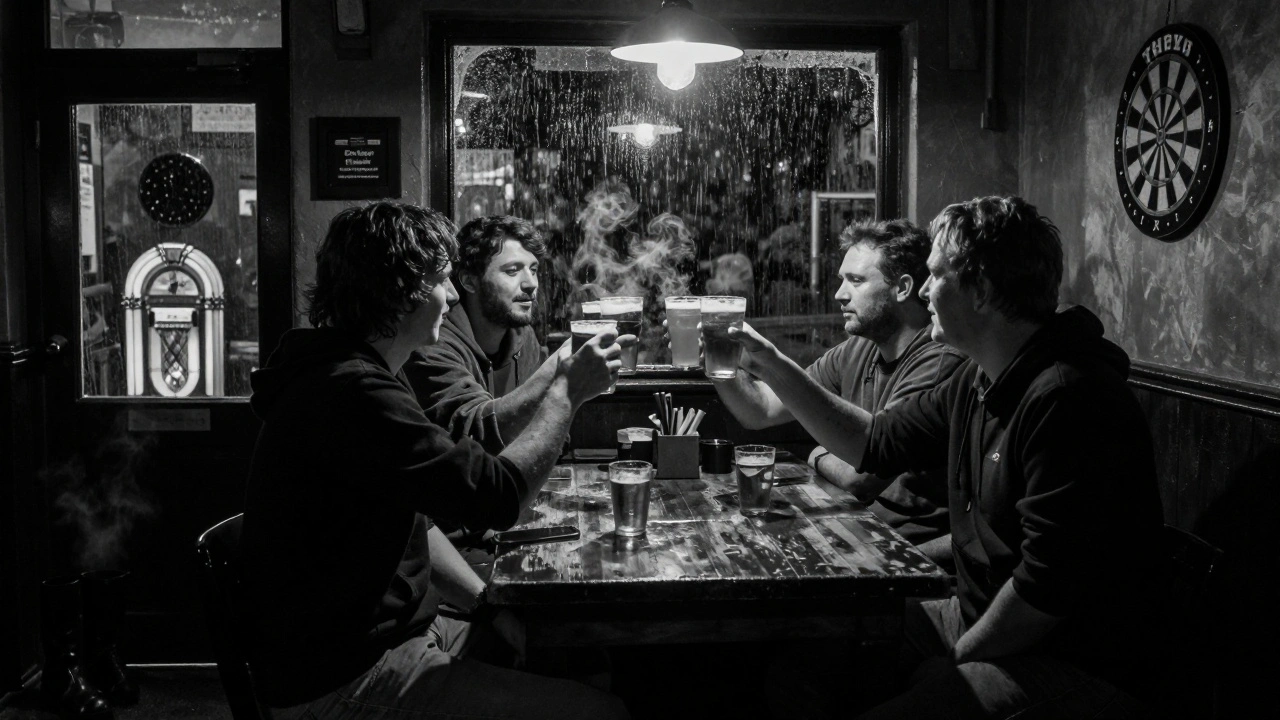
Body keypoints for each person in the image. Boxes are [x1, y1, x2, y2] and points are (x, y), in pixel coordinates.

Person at [725, 197, 1162, 719]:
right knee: (805, 663)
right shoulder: (978, 378)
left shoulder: (1069, 397)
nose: (925, 290)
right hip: (980, 613)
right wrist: (768, 362)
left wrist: (957, 660)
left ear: (981, 291)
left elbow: (1045, 594)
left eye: (936, 276)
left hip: (1073, 654)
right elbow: (876, 443)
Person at [239, 202, 630, 720]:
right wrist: (565, 394)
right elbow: (497, 496)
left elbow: (418, 526)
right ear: (400, 293)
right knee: (603, 713)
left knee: (574, 657)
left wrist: (488, 604)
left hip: (399, 633)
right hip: (345, 673)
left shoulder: (364, 373)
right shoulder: (351, 392)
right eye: (442, 280)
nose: (450, 296)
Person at [711, 218, 965, 562]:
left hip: (905, 552)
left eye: (856, 281)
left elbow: (859, 477)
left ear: (903, 288)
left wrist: (815, 453)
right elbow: (761, 411)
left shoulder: (938, 360)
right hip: (858, 528)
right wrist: (720, 366)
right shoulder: (858, 348)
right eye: (842, 280)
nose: (839, 294)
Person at [404, 215, 553, 454]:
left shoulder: (524, 337)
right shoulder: (433, 341)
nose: (531, 283)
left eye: (533, 270)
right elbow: (471, 432)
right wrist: (556, 373)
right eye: (513, 271)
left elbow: (551, 425)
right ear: (469, 281)